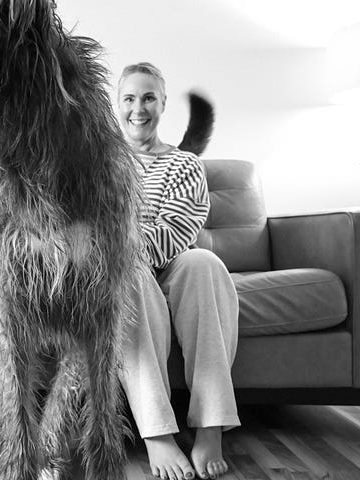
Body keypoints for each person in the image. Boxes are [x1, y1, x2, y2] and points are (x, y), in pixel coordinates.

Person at [116, 62, 240, 480]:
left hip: (172, 267)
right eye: (129, 98)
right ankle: (157, 434)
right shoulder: (97, 165)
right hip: (125, 272)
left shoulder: (184, 164)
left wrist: (120, 240)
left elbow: (175, 232)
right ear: (117, 105)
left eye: (148, 97)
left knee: (203, 261)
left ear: (163, 104)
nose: (139, 108)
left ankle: (210, 425)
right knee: (125, 273)